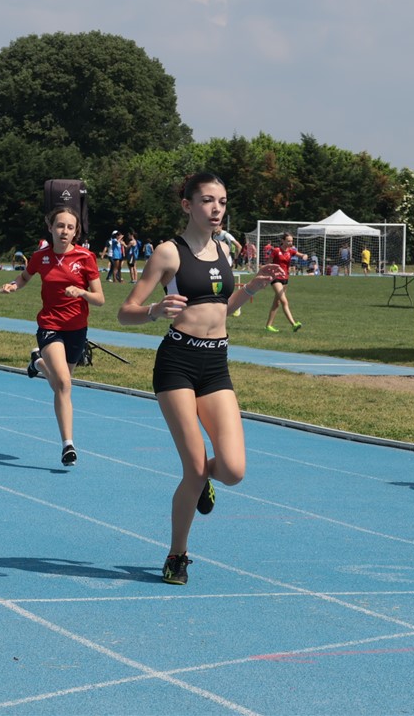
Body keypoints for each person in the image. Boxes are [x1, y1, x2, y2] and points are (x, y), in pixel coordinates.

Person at [117, 172, 285, 585]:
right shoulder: (168, 253)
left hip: (215, 364)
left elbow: (221, 307)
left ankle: (203, 482)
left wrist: (251, 289)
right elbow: (125, 312)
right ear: (187, 205)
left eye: (222, 201)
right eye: (208, 200)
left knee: (232, 470)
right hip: (177, 363)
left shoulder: (224, 249)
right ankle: (178, 554)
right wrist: (155, 311)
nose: (216, 209)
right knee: (193, 468)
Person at [2, 206, 104, 468]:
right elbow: (24, 277)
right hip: (50, 325)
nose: (64, 231)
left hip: (77, 329)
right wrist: (13, 285)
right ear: (50, 227)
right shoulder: (41, 257)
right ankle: (68, 445)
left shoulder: (86, 257)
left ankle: (38, 363)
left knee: (60, 383)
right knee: (64, 385)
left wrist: (81, 292)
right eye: (60, 226)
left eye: (70, 227)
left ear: (76, 231)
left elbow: (100, 299)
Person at [265, 233, 306, 332]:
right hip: (276, 278)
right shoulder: (276, 251)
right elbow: (268, 263)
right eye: (288, 241)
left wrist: (304, 256)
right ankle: (293, 324)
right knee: (284, 301)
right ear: (282, 241)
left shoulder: (291, 251)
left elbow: (301, 255)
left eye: (291, 241)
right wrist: (269, 272)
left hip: (285, 279)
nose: (290, 243)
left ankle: (268, 326)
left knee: (277, 303)